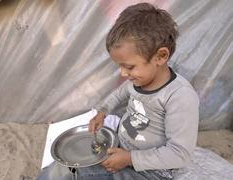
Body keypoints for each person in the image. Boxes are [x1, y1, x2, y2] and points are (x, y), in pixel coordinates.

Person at [37, 2, 199, 180]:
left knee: (79, 172)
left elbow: (179, 154)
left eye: (129, 66)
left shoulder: (180, 97)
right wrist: (102, 112)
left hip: (151, 172)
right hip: (122, 147)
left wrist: (129, 158)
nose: (123, 73)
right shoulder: (139, 80)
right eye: (120, 66)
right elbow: (119, 94)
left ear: (160, 56)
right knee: (71, 161)